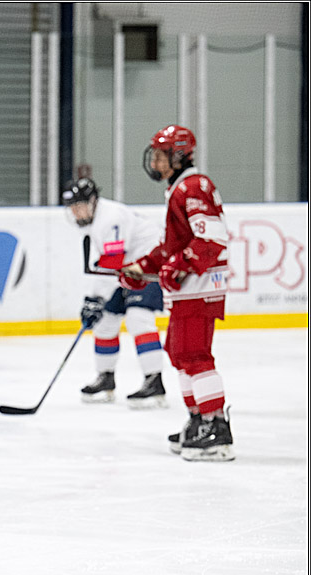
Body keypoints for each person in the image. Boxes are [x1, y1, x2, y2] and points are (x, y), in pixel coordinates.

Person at [121, 125, 233, 462]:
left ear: (179, 155)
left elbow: (211, 240)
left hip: (199, 288)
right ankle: (199, 420)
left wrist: (180, 265)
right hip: (188, 290)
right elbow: (173, 247)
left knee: (195, 354)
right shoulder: (179, 188)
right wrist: (141, 267)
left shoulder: (193, 186)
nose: (154, 162)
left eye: (161, 155)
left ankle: (216, 428)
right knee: (180, 352)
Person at [63, 176, 168, 408]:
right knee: (105, 321)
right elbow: (110, 267)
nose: (77, 213)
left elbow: (112, 264)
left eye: (80, 206)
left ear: (92, 202)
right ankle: (105, 377)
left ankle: (154, 380)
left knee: (139, 319)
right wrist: (95, 300)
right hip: (128, 270)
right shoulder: (94, 222)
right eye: (73, 208)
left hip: (148, 266)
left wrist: (96, 298)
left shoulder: (110, 219)